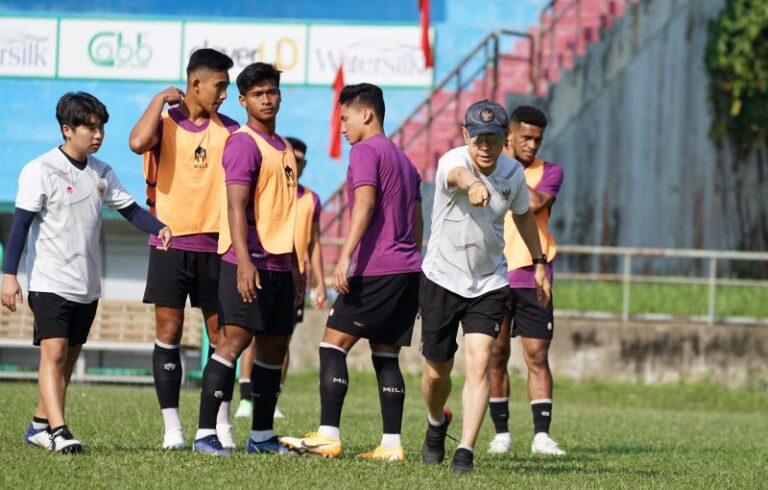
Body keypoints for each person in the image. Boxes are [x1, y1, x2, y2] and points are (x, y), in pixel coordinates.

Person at [1, 92, 172, 453]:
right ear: (67, 129)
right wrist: (9, 274)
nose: (98, 135)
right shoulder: (39, 169)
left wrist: (159, 227)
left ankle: (38, 425)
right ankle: (59, 432)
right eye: (89, 127)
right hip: (49, 281)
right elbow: (19, 227)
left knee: (68, 359)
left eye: (101, 127)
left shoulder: (102, 172)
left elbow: (130, 210)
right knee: (55, 354)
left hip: (87, 286)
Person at [280, 83, 422, 462]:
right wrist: (411, 260)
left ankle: (328, 435)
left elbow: (365, 204)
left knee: (331, 345)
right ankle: (391, 445)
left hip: (376, 269)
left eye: (344, 118)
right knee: (386, 355)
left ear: (366, 114)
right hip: (408, 270)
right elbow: (417, 220)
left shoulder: (365, 151)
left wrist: (344, 258)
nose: (341, 127)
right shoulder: (406, 162)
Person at [419, 100, 551, 474]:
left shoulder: (512, 174)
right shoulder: (452, 161)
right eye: (478, 138)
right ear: (466, 136)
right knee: (436, 372)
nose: (485, 147)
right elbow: (459, 177)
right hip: (442, 279)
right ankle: (435, 421)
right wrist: (475, 183)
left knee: (479, 364)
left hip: (489, 282)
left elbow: (524, 216)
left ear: (504, 140)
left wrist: (539, 263)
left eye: (493, 139)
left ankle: (465, 450)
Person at [128, 48, 239, 450]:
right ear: (195, 84)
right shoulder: (163, 124)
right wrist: (159, 99)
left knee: (222, 336)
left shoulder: (231, 131)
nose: (224, 94)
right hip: (169, 242)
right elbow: (136, 142)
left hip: (217, 246)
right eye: (220, 86)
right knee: (169, 331)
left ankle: (220, 424)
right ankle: (172, 429)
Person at [193, 62, 302, 456]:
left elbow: (284, 212)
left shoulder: (285, 147)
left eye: (271, 91)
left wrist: (293, 267)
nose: (267, 99)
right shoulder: (242, 143)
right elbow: (235, 207)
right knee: (232, 342)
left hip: (278, 265)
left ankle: (262, 436)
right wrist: (243, 261)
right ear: (243, 101)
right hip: (247, 261)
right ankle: (205, 433)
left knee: (273, 351)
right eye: (258, 94)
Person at [487, 105, 565, 456]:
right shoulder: (487, 168)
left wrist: (508, 167)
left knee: (537, 355)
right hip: (494, 275)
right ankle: (501, 433)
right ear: (510, 137)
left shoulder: (550, 172)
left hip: (535, 276)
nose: (533, 145)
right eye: (527, 138)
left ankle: (541, 436)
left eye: (538, 139)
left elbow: (533, 203)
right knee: (496, 354)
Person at [234, 136, 327, 421]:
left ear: (305, 164)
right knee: (251, 338)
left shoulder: (311, 199)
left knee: (280, 340)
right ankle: (247, 399)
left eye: (300, 161)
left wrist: (320, 282)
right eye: (292, 160)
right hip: (263, 269)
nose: (295, 165)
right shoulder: (269, 189)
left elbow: (313, 243)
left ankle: (272, 398)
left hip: (293, 276)